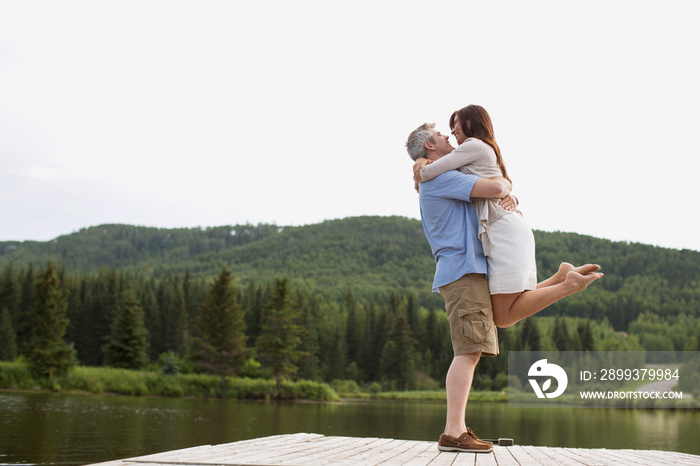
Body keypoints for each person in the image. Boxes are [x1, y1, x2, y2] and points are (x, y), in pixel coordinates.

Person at [413, 105, 603, 328]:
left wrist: (420, 166)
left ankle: (568, 285)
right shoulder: (475, 151)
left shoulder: (472, 146)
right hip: (506, 225)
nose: (451, 131)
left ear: (471, 123)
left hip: (501, 228)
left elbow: (427, 174)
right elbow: (498, 181)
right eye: (446, 129)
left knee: (502, 316)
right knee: (507, 308)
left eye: (455, 124)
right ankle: (560, 278)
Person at [406, 122, 513, 453]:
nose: (448, 137)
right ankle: (453, 433)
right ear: (430, 147)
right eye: (441, 135)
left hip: (463, 271)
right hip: (463, 272)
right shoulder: (440, 177)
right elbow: (495, 188)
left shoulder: (434, 176)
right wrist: (507, 185)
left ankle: (456, 429)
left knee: (471, 349)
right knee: (468, 351)